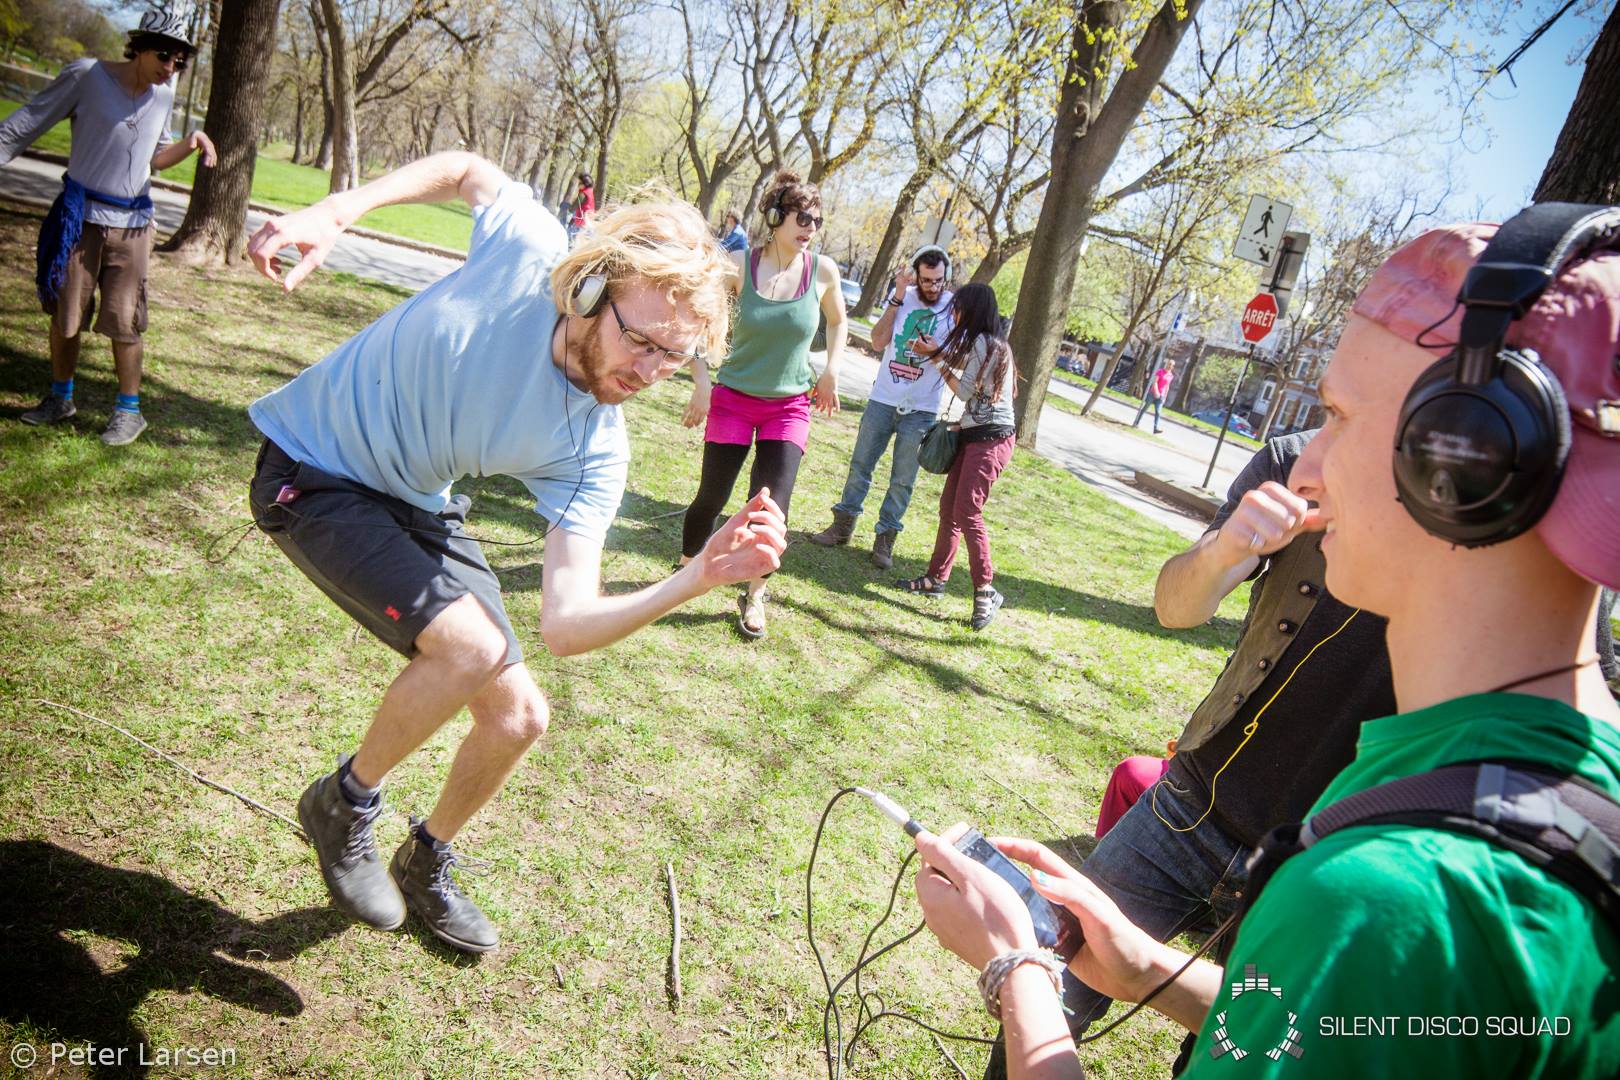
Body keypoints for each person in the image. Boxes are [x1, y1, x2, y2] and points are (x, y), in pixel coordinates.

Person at [910, 213, 1620, 1077]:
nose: (1308, 464)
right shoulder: (1554, 788)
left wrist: (1016, 971)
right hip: (1195, 804)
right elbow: (1316, 1029)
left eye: (1340, 416)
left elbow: (1345, 988)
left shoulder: (1385, 899)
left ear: (1467, 459)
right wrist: (1151, 972)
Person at [240, 151, 788, 954]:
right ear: (590, 291)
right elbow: (465, 167)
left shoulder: (596, 447)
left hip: (417, 498)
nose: (652, 371)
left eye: (676, 359)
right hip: (313, 468)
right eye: (643, 343)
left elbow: (567, 624)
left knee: (520, 714)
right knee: (470, 648)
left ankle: (425, 859)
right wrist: (339, 208)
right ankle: (345, 802)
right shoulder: (528, 252)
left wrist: (697, 575)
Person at [0, 8, 216, 446]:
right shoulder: (87, 76)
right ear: (137, 45)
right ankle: (61, 398)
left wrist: (189, 143)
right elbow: (27, 121)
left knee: (124, 320)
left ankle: (129, 412)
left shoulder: (162, 94)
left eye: (179, 61)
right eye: (163, 55)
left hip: (134, 226)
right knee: (66, 315)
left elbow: (154, 157)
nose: (170, 67)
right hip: (80, 219)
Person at [678, 169, 847, 639]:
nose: (811, 227)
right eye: (802, 217)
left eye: (817, 219)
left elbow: (837, 323)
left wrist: (831, 368)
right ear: (776, 217)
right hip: (733, 400)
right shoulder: (738, 265)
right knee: (711, 498)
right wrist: (701, 381)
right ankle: (686, 571)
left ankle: (754, 595)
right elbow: (695, 319)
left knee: (772, 511)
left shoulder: (823, 272)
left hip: (788, 406)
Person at [808, 245, 954, 569]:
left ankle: (885, 540)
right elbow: (877, 341)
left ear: (947, 278)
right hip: (883, 399)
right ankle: (842, 526)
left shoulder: (953, 308)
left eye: (938, 280)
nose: (932, 287)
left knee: (903, 479)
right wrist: (899, 295)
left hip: (921, 410)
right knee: (861, 464)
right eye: (926, 280)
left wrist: (935, 351)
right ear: (916, 275)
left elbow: (959, 357)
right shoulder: (903, 297)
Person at [894, 283, 1016, 631]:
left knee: (967, 511)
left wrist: (937, 361)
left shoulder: (986, 343)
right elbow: (970, 368)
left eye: (959, 309)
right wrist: (940, 354)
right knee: (950, 509)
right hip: (976, 436)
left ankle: (986, 590)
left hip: (991, 440)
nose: (955, 314)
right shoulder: (993, 344)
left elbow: (963, 391)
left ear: (972, 309)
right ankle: (936, 579)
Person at [1132, 359, 1175, 433]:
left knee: (1158, 412)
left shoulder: (1171, 376)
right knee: (1145, 408)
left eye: (1171, 364)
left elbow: (1167, 386)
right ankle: (1137, 422)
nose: (1169, 365)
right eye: (1169, 364)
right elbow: (1155, 382)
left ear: (1173, 366)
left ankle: (1156, 428)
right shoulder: (1160, 371)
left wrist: (1164, 396)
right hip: (1152, 394)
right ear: (1166, 364)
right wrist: (1156, 391)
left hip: (1161, 396)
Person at [568, 172, 594, 241]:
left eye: (579, 182)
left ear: (584, 184)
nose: (578, 184)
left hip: (581, 218)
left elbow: (575, 206)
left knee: (571, 235)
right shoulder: (590, 191)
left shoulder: (583, 194)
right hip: (586, 219)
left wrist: (569, 210)